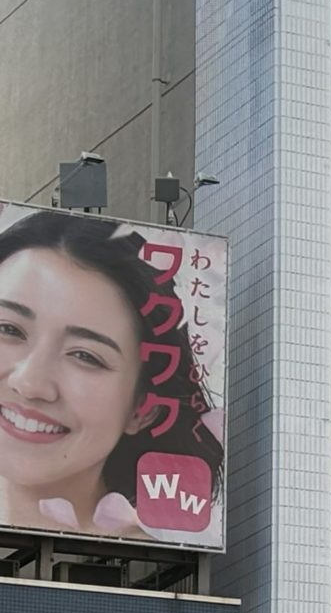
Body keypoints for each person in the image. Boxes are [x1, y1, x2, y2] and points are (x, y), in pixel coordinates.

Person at [0, 211, 222, 539]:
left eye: (85, 356)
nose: (30, 383)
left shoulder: (143, 552)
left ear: (144, 409)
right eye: (8, 329)